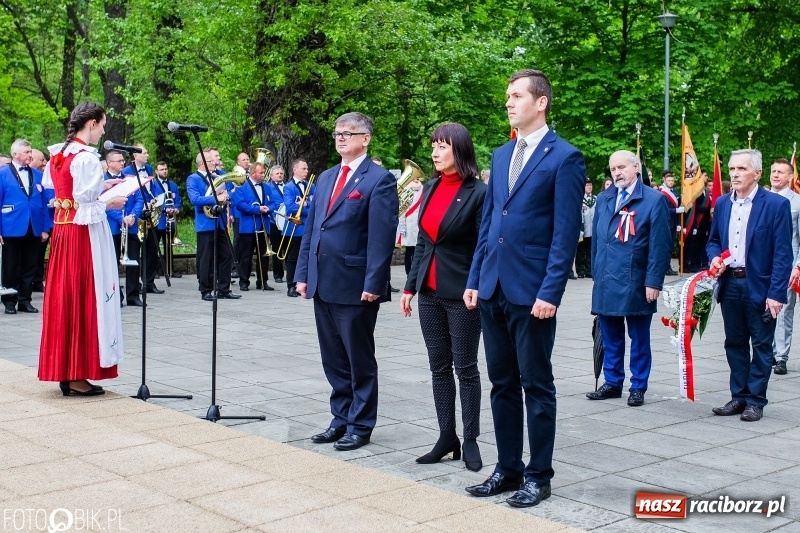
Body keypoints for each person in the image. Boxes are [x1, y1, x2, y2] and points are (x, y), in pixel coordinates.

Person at [463, 70, 585, 508]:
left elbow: (564, 232)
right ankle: (508, 468)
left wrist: (551, 292)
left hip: (533, 293)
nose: (509, 102)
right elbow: (489, 223)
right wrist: (476, 278)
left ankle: (539, 475)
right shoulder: (501, 154)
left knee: (537, 384)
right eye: (508, 96)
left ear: (541, 102)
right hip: (493, 287)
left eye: (517, 96)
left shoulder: (564, 157)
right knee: (501, 384)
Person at [297, 112, 398, 451]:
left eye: (348, 133)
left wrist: (374, 282)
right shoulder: (326, 177)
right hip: (322, 282)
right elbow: (312, 229)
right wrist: (302, 274)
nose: (340, 138)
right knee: (333, 358)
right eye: (337, 133)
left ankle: (361, 424)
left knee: (359, 358)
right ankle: (340, 418)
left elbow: (381, 239)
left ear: (365, 139)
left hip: (356, 284)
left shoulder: (378, 180)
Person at [400, 123, 486, 471]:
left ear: (459, 151)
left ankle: (471, 440)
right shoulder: (432, 186)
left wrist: (477, 284)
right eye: (433, 146)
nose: (435, 153)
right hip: (430, 294)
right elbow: (423, 241)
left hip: (462, 293)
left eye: (442, 147)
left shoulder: (478, 192)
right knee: (438, 368)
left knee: (465, 369)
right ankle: (446, 436)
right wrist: (409, 286)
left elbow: (483, 245)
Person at [38, 102, 127, 395]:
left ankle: (68, 370)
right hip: (81, 235)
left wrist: (101, 193)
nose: (103, 131)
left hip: (63, 232)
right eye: (102, 125)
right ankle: (76, 374)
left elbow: (69, 197)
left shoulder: (59, 154)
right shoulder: (86, 158)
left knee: (67, 295)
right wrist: (110, 200)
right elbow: (86, 206)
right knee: (83, 295)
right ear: (91, 124)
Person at [707, 149, 793, 422]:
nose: (734, 174)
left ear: (757, 173)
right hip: (730, 283)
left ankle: (756, 400)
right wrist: (713, 258)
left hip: (760, 286)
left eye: (742, 169)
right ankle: (739, 396)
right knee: (734, 342)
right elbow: (713, 240)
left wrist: (777, 294)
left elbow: (783, 254)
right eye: (732, 168)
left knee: (762, 345)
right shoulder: (722, 204)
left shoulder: (775, 205)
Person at [585, 150, 671, 406]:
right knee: (610, 335)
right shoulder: (604, 199)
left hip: (636, 280)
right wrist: (596, 274)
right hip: (607, 280)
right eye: (613, 169)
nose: (617, 172)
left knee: (639, 337)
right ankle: (612, 382)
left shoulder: (653, 200)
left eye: (622, 167)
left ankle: (638, 385)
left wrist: (653, 281)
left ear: (636, 167)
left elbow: (660, 246)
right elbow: (598, 242)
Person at [0, 139, 50, 314]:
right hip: (11, 225)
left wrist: (45, 227)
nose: (30, 155)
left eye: (30, 152)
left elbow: (44, 203)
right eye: (27, 152)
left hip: (33, 225)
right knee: (10, 266)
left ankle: (25, 300)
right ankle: (9, 301)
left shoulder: (38, 175)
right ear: (15, 154)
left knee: (29, 265)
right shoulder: (3, 174)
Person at [187, 150, 241, 301]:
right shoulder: (193, 179)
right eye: (212, 161)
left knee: (227, 254)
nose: (215, 163)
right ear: (203, 163)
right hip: (205, 223)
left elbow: (228, 194)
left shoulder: (218, 176)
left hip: (220, 221)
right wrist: (216, 198)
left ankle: (224, 288)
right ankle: (206, 289)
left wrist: (226, 197)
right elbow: (195, 199)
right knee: (206, 257)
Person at [767, 159, 800, 375]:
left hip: (788, 263)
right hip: (763, 264)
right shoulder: (762, 199)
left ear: (790, 177)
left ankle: (781, 356)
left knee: (785, 310)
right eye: (773, 171)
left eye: (781, 172)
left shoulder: (797, 202)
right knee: (764, 308)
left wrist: (797, 266)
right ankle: (766, 351)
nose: (776, 175)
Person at [123, 144, 163, 295]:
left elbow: (152, 188)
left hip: (150, 213)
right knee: (136, 250)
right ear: (135, 155)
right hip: (136, 215)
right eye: (144, 153)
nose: (147, 155)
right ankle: (136, 285)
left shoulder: (150, 169)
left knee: (151, 248)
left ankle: (149, 281)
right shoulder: (126, 171)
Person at [231, 161, 274, 291]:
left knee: (264, 255)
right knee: (246, 255)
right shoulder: (241, 186)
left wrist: (268, 208)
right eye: (261, 173)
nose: (263, 175)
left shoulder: (267, 187)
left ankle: (263, 281)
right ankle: (244, 281)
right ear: (253, 173)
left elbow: (274, 203)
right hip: (248, 226)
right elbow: (239, 205)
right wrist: (257, 209)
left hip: (263, 225)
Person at [283, 158, 314, 297]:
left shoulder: (312, 186)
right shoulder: (288, 187)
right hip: (294, 228)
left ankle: (305, 283)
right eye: (303, 168)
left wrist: (305, 204)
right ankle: (291, 285)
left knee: (308, 257)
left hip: (309, 226)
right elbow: (290, 207)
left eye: (307, 169)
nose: (306, 171)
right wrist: (307, 206)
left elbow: (317, 206)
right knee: (293, 258)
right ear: (294, 170)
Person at [152, 161, 182, 278]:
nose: (164, 171)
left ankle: (170, 269)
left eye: (165, 169)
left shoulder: (173, 185)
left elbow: (178, 200)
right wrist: (165, 208)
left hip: (170, 221)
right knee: (154, 247)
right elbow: (154, 201)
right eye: (161, 169)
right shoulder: (153, 184)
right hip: (158, 220)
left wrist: (176, 209)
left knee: (169, 246)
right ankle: (154, 271)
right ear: (156, 171)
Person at [684, 171, 712, 273]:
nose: (706, 177)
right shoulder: (697, 191)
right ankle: (690, 263)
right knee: (694, 244)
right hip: (697, 220)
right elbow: (696, 206)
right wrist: (708, 210)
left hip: (704, 221)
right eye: (705, 176)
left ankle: (696, 263)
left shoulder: (705, 190)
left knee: (700, 243)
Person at [397, 175, 423, 275]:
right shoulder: (405, 190)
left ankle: (418, 275)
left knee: (419, 252)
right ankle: (409, 275)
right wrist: (402, 227)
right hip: (409, 225)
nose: (416, 179)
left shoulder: (423, 190)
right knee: (409, 251)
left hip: (420, 224)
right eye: (414, 177)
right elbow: (402, 210)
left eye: (417, 177)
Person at [264, 165, 285, 283]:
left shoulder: (287, 187)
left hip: (286, 221)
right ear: (271, 176)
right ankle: (278, 274)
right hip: (273, 220)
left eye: (281, 173)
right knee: (276, 248)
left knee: (287, 247)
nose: (280, 175)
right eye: (277, 173)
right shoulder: (267, 187)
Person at [658, 171, 681, 276]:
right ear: (664, 180)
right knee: (665, 247)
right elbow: (664, 209)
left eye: (672, 180)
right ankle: (665, 268)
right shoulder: (661, 192)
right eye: (669, 180)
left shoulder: (674, 192)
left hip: (673, 223)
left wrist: (678, 224)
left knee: (670, 247)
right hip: (665, 223)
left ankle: (668, 267)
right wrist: (677, 211)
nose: (671, 182)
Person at [575, 179, 596, 278]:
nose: (589, 187)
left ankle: (589, 270)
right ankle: (580, 270)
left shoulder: (595, 199)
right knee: (580, 251)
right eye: (587, 185)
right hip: (582, 230)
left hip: (592, 229)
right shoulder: (579, 199)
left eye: (590, 185)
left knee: (590, 251)